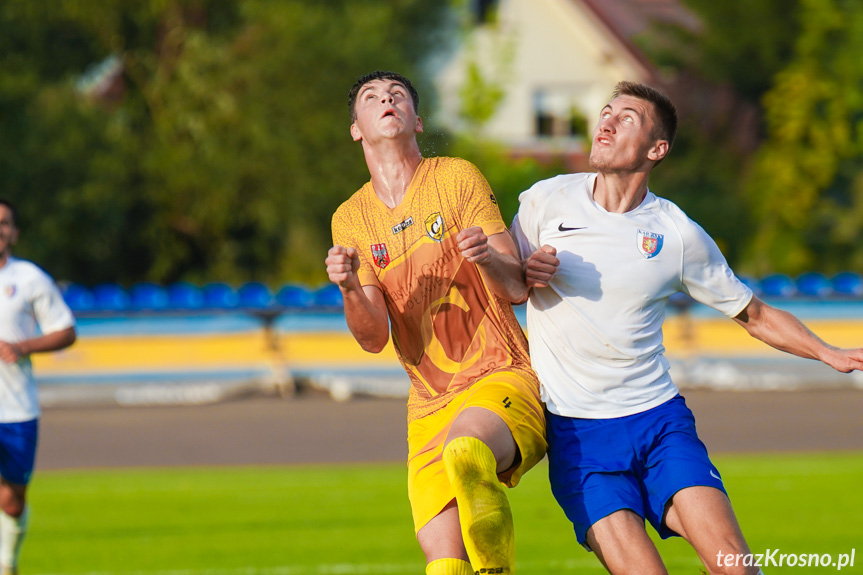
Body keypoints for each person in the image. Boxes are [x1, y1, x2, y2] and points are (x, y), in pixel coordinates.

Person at [512, 81, 863, 575]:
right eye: (606, 112)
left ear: (657, 150)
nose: (606, 122)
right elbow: (502, 282)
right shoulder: (545, 200)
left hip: (659, 424)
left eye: (627, 118)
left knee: (735, 568)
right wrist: (524, 274)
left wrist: (828, 352)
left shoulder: (678, 234)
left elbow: (755, 314)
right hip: (577, 435)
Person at [325, 71, 546, 575]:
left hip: (501, 375)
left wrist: (486, 259)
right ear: (356, 128)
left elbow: (516, 288)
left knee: (466, 447)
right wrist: (349, 287)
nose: (386, 99)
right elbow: (373, 337)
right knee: (444, 563)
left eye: (397, 94)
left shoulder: (456, 178)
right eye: (371, 97)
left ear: (417, 121)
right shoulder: (350, 218)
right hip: (428, 407)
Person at [0, 199, 77, 575]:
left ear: (14, 233)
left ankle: (7, 562)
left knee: (12, 501)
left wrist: (22, 347)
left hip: (15, 409)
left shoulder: (29, 279)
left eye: (4, 224)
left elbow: (66, 331)